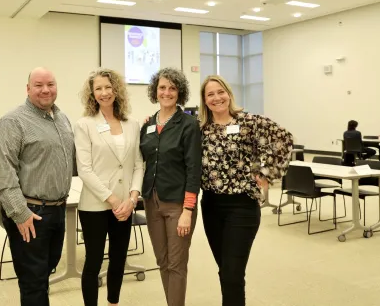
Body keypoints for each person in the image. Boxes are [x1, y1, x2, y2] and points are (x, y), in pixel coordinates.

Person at [199, 75, 293, 306]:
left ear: (229, 94)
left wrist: (267, 174)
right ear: (204, 100)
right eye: (210, 94)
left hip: (242, 207)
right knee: (225, 270)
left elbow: (284, 138)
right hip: (210, 206)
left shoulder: (248, 121)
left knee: (232, 273)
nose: (216, 97)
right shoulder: (201, 128)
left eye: (220, 92)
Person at [0, 67, 75, 306]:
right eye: (38, 85)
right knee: (33, 283)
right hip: (30, 213)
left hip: (58, 210)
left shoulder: (61, 118)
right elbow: (3, 172)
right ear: (27, 89)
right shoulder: (12, 121)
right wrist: (20, 214)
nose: (46, 90)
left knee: (44, 274)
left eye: (50, 84)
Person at [74, 69, 144, 306]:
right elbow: (84, 169)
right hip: (95, 205)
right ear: (92, 94)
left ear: (117, 90)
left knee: (118, 258)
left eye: (108, 87)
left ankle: (113, 302)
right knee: (93, 261)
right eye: (98, 88)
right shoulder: (85, 124)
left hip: (126, 204)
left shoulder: (132, 124)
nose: (104, 92)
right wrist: (113, 200)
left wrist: (132, 199)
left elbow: (137, 165)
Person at [139, 67, 201, 306]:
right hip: (152, 202)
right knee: (162, 262)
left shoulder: (188, 125)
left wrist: (188, 210)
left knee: (176, 265)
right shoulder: (148, 125)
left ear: (180, 92)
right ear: (155, 91)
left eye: (172, 88)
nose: (166, 92)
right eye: (162, 87)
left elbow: (194, 170)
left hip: (178, 205)